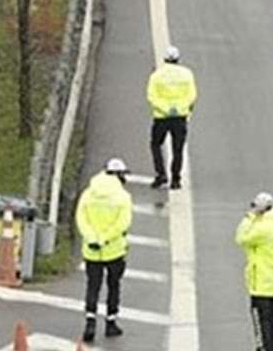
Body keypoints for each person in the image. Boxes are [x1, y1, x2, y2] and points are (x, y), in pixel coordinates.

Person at [76, 158, 133, 342]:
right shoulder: (123, 197)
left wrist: (92, 238)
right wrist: (105, 238)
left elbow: (81, 218)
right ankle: (111, 323)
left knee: (93, 285)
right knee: (113, 286)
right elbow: (122, 224)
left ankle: (90, 322)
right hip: (114, 250)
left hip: (91, 250)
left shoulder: (89, 193)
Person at [235, 192, 273, 351]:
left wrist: (250, 216)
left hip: (260, 283)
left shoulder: (262, 228)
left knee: (261, 323)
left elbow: (241, 238)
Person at [145, 44, 197, 189]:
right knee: (178, 149)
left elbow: (151, 96)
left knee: (155, 144)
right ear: (178, 59)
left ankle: (161, 174)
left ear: (165, 59)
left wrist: (165, 109)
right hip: (180, 116)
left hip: (161, 117)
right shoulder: (187, 74)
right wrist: (181, 109)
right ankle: (176, 179)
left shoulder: (156, 75)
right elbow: (191, 95)